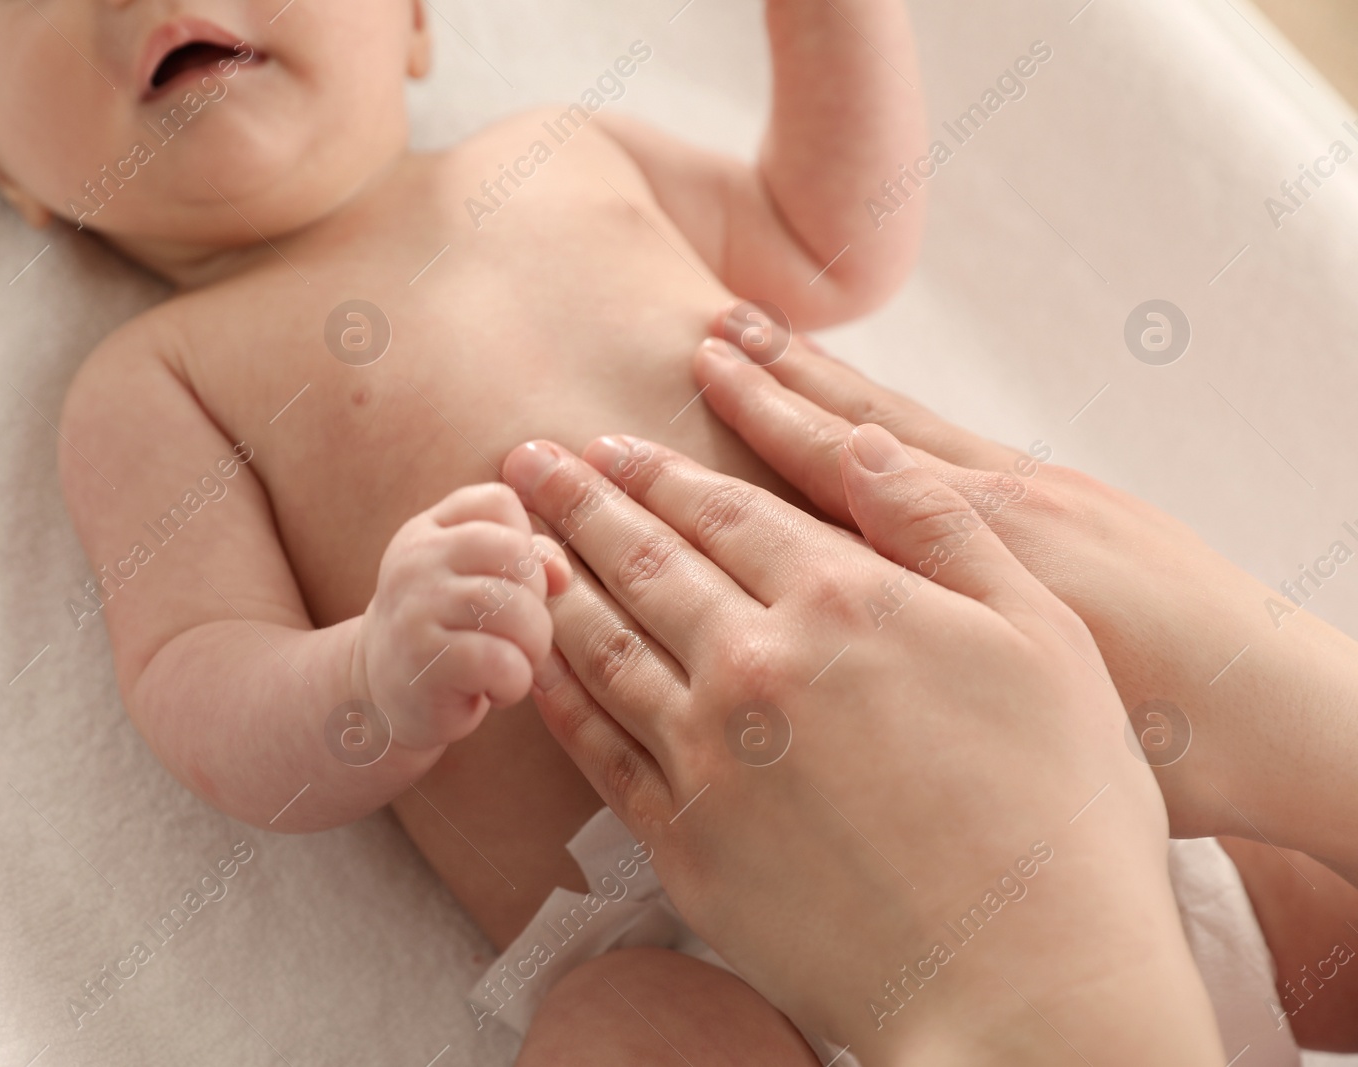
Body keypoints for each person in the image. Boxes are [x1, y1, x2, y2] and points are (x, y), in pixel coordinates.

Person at [0, 0, 929, 1059]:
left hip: (933, 686)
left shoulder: (568, 150)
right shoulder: (155, 379)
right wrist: (368, 678)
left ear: (410, 18)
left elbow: (828, 241)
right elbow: (197, 674)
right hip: (679, 925)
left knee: (1096, 649)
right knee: (618, 1027)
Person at [504, 326, 1358, 1061]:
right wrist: (1314, 711)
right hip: (1124, 853)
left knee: (620, 1018)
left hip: (799, 969)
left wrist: (1023, 972)